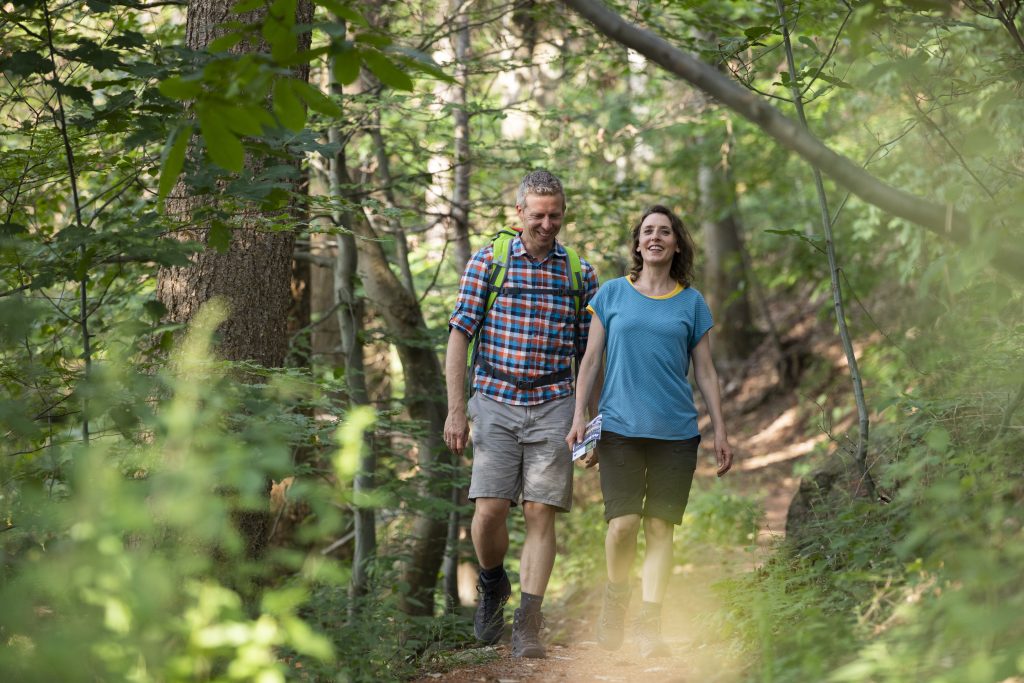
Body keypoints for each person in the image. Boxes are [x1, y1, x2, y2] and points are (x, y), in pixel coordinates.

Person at [565, 204, 733, 658]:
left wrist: (720, 430)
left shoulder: (691, 303)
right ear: (638, 244)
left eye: (664, 231)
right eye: (647, 231)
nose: (655, 237)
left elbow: (706, 372)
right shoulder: (612, 294)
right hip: (619, 428)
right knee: (623, 525)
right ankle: (616, 597)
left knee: (660, 528)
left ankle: (649, 622)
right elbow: (591, 360)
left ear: (677, 244)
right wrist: (580, 416)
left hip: (676, 432)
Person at [444, 170, 600, 658]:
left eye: (555, 215)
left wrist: (590, 419)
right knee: (489, 509)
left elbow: (589, 356)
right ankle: (493, 582)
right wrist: (456, 410)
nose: (547, 224)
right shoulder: (489, 262)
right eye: (538, 215)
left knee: (539, 511)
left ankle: (528, 623)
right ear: (519, 213)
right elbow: (459, 335)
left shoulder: (579, 273)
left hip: (555, 403)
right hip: (495, 399)